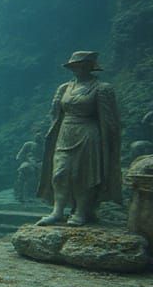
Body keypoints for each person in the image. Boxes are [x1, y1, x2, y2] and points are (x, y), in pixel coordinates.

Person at [37, 51, 122, 226]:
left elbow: (108, 119)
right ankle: (57, 211)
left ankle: (82, 212)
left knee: (82, 175)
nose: (79, 68)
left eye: (83, 65)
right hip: (65, 133)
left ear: (91, 66)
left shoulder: (101, 88)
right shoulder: (64, 88)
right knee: (59, 173)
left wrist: (109, 142)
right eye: (76, 65)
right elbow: (55, 114)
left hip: (88, 134)